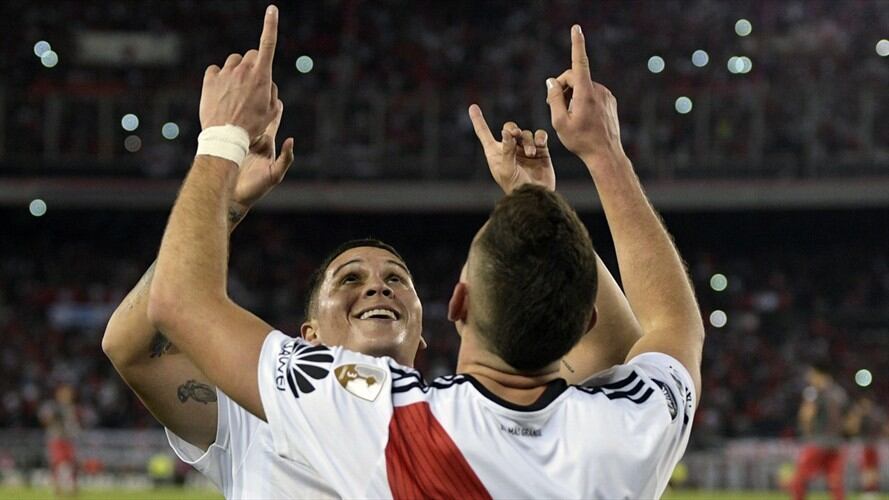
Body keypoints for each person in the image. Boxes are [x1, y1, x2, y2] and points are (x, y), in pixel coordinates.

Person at [146, 10, 702, 497]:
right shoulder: (630, 430)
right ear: (586, 318)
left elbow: (178, 301)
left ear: (457, 305)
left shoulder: (390, 419)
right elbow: (670, 323)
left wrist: (223, 136)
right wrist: (602, 157)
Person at [790, 361, 849, 500]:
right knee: (835, 483)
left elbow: (807, 415)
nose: (809, 377)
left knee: (799, 480)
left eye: (811, 374)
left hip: (817, 442)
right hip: (836, 443)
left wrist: (805, 431)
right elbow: (847, 419)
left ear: (819, 374)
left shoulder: (813, 391)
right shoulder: (840, 392)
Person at [38, 384, 80, 497]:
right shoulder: (52, 406)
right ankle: (57, 488)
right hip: (56, 438)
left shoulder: (71, 408)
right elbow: (44, 420)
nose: (68, 396)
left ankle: (73, 488)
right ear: (59, 395)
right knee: (57, 463)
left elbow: (73, 424)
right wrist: (51, 417)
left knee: (71, 463)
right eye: (65, 394)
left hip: (68, 439)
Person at [844, 396, 884, 498]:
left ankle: (870, 491)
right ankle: (871, 490)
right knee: (869, 469)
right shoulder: (876, 414)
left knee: (869, 469)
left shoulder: (868, 415)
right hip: (870, 444)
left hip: (869, 444)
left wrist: (857, 416)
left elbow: (853, 429)